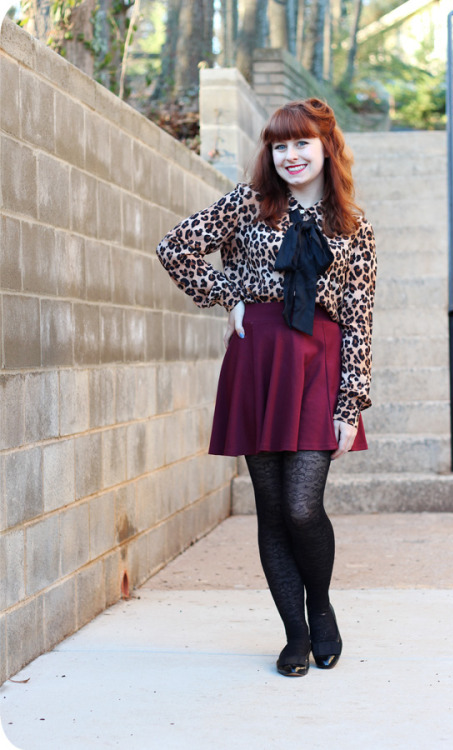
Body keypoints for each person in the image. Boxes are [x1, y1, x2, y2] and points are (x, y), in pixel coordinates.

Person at [156, 98, 376, 677]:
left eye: (301, 143)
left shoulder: (355, 227)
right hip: (258, 362)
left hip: (319, 366)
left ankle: (322, 608)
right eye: (279, 146)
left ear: (326, 146)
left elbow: (358, 319)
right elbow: (175, 248)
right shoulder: (249, 203)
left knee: (304, 508)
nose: (290, 155)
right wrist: (228, 294)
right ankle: (296, 635)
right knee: (274, 510)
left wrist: (350, 403)